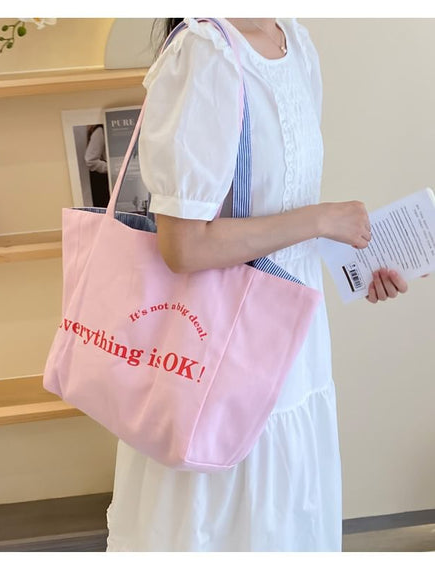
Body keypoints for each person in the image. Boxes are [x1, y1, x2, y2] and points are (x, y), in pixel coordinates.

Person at [105, 17, 409, 552]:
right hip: (222, 355)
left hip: (294, 348)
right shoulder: (206, 53)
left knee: (286, 523)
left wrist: (356, 258)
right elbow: (184, 246)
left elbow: (279, 208)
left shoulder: (294, 40)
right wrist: (321, 219)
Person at [84, 124, 110, 207]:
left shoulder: (102, 129)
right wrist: (110, 168)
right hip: (103, 180)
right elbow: (90, 160)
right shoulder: (100, 130)